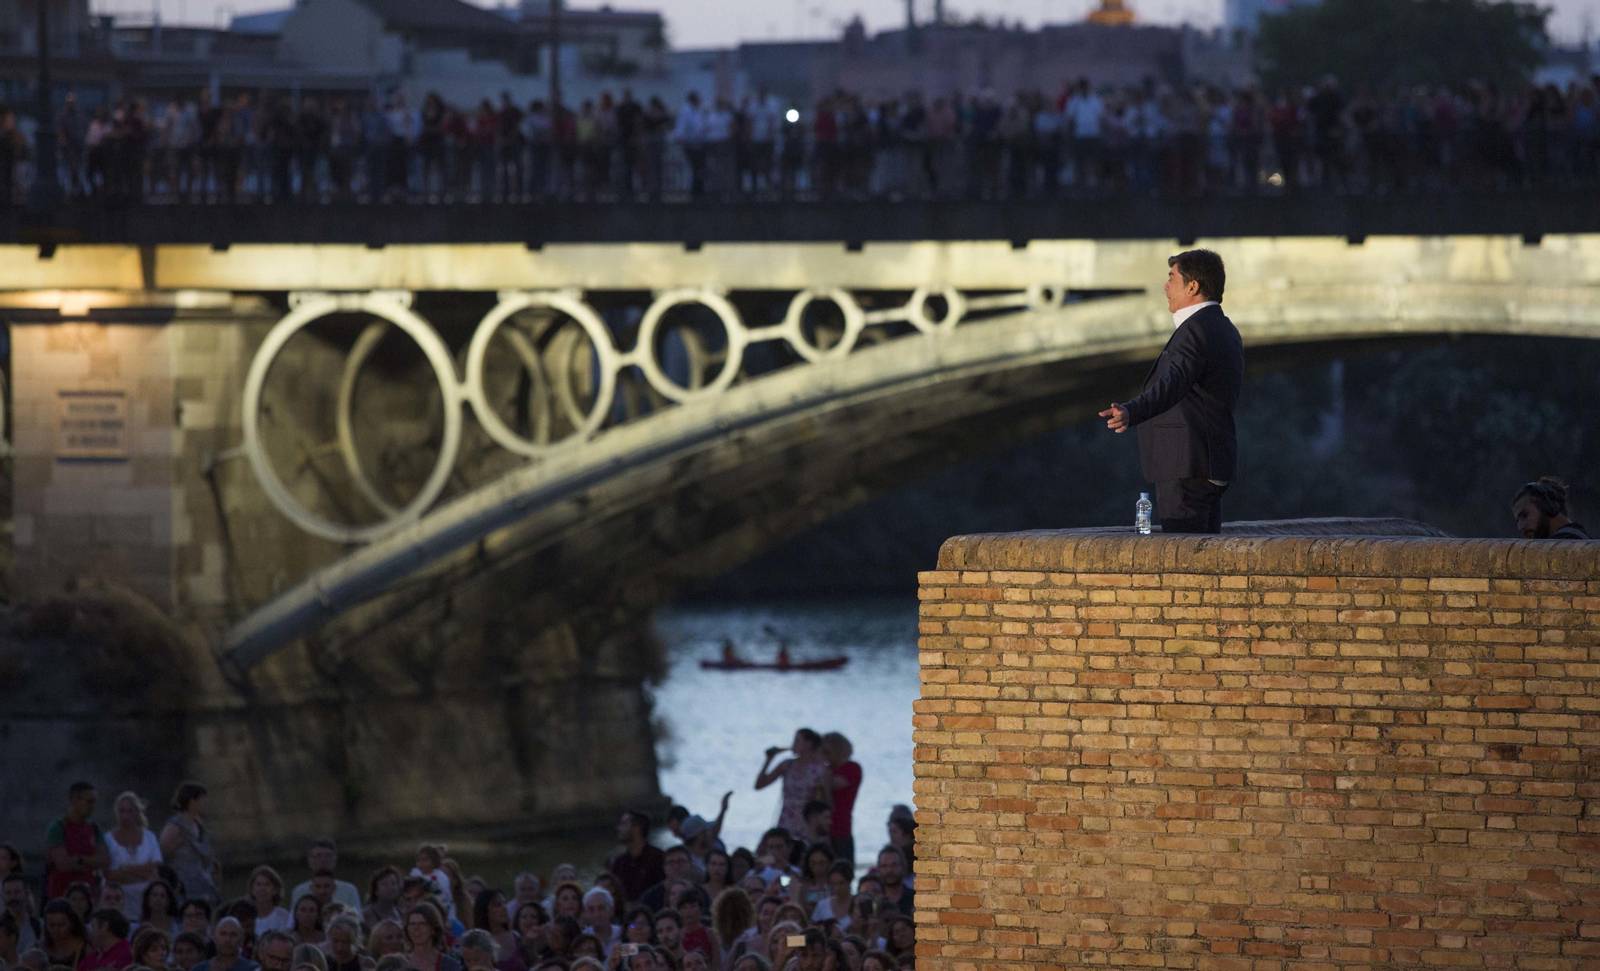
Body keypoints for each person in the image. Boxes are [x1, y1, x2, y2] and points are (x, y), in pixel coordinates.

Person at [1100, 249, 1243, 534]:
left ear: (1193, 287)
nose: (1165, 287)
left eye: (1171, 279)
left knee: (1184, 558)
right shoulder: (1225, 329)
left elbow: (1172, 384)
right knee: (1205, 557)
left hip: (1185, 467)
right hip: (1212, 463)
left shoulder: (1194, 330)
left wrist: (1132, 410)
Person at [755, 730, 831, 841]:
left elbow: (826, 799)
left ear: (808, 744)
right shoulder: (787, 765)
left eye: (797, 741)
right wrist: (768, 760)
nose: (793, 744)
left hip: (810, 822)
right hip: (787, 821)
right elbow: (759, 785)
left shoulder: (821, 768)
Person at [45, 783, 111, 901]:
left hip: (88, 898)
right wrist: (90, 864)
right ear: (74, 800)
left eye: (95, 802)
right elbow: (63, 864)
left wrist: (79, 859)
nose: (93, 806)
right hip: (61, 896)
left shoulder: (94, 829)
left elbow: (105, 860)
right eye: (89, 802)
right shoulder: (58, 828)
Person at [104, 793, 163, 922]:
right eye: (122, 811)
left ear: (137, 812)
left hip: (145, 904)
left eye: (129, 811)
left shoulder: (149, 837)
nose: (125, 815)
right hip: (118, 902)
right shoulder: (108, 839)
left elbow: (155, 867)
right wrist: (141, 876)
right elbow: (110, 875)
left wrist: (124, 869)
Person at [160, 783, 221, 906]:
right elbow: (162, 857)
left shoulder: (199, 824)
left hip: (205, 888)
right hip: (184, 891)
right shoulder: (175, 828)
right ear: (192, 801)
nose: (205, 802)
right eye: (202, 799)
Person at [819, 734, 860, 866]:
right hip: (821, 828)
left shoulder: (852, 768)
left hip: (841, 827)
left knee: (842, 867)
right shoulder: (826, 770)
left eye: (827, 752)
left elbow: (835, 784)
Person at [607, 812, 664, 907]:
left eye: (624, 824)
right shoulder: (619, 863)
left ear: (637, 828)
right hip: (629, 920)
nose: (618, 828)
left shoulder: (658, 858)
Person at [291, 842, 361, 912]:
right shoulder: (299, 891)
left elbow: (358, 919)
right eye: (318, 855)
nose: (323, 860)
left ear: (335, 860)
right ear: (310, 861)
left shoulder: (349, 890)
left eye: (328, 856)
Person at [1513, 477, 1591, 539]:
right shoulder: (1582, 540)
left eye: (1525, 515)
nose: (1520, 527)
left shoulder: (1568, 544)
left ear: (1547, 507)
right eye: (1518, 521)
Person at [400, 904, 459, 971]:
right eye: (412, 924)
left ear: (433, 929)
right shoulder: (399, 964)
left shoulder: (449, 965)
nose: (416, 928)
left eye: (422, 924)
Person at [39, 900, 88, 969]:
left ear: (72, 924)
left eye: (61, 925)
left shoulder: (86, 950)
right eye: (51, 925)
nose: (56, 930)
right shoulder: (40, 949)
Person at [247, 868, 291, 936]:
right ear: (252, 889)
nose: (262, 889)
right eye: (258, 884)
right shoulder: (245, 916)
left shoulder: (283, 916)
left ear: (275, 890)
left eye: (267, 884)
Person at [808, 863, 853, 929]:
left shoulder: (857, 905)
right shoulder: (822, 905)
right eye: (833, 883)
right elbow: (813, 929)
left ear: (849, 882)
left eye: (841, 883)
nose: (837, 888)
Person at [2, 876, 40, 952]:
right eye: (8, 893)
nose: (13, 897)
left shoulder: (38, 926)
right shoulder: (1, 927)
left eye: (17, 892)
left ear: (26, 893)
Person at [872, 850, 912, 918]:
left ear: (903, 867)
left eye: (894, 865)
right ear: (879, 869)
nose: (889, 870)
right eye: (884, 866)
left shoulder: (915, 899)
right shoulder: (874, 901)